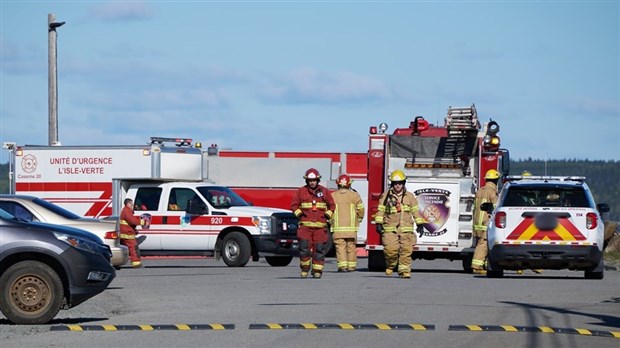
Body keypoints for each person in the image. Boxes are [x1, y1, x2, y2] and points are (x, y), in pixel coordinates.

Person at [374, 170, 424, 279]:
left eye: (400, 183)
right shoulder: (386, 196)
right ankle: (391, 264)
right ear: (392, 184)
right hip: (389, 229)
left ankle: (404, 271)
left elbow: (415, 211)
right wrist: (378, 223)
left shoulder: (410, 197)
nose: (398, 185)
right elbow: (380, 210)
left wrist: (420, 224)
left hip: (406, 229)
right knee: (390, 250)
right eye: (396, 183)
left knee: (406, 250)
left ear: (403, 183)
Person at [291, 168, 335, 279]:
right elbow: (294, 205)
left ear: (318, 180)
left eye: (314, 180)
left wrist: (327, 215)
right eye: (310, 180)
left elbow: (332, 205)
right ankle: (304, 270)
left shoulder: (324, 191)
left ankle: (317, 271)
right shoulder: (301, 191)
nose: (312, 182)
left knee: (319, 249)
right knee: (304, 249)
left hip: (320, 227)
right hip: (305, 227)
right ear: (307, 181)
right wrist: (300, 215)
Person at [330, 174, 365, 272]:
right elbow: (361, 209)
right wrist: (359, 219)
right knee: (351, 246)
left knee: (340, 247)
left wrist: (330, 221)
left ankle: (342, 266)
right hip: (351, 227)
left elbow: (328, 210)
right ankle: (351, 266)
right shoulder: (354, 195)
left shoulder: (333, 196)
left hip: (337, 228)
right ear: (349, 184)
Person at [471, 169, 500, 275]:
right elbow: (496, 207)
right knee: (483, 245)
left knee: (480, 243)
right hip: (485, 222)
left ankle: (481, 264)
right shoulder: (492, 192)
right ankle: (477, 266)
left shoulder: (480, 190)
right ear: (495, 180)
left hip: (477, 222)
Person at [120, 198, 145, 268]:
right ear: (128, 204)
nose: (132, 205)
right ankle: (136, 263)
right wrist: (143, 222)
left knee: (123, 249)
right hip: (128, 234)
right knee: (133, 248)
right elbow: (133, 221)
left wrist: (134, 230)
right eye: (131, 204)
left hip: (126, 232)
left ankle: (118, 262)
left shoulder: (125, 211)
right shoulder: (127, 211)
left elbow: (129, 223)